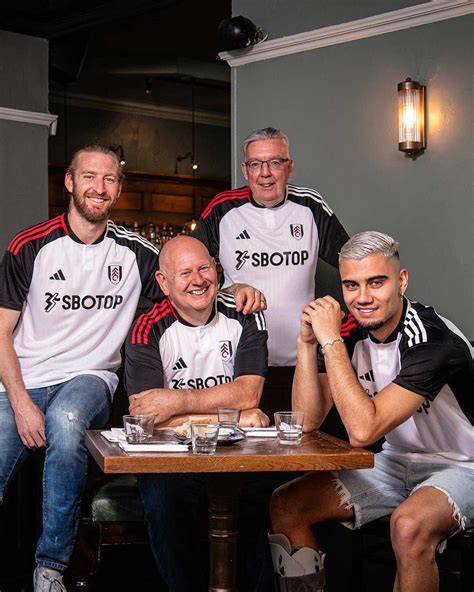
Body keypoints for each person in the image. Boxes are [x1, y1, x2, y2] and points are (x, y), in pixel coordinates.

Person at [268, 231, 474, 592]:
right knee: (288, 504)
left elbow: (364, 432)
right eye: (351, 285)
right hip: (396, 463)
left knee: (409, 525)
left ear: (401, 281)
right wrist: (306, 343)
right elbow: (306, 420)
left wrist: (329, 340)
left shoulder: (433, 340)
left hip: (464, 465)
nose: (362, 298)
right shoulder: (349, 334)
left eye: (376, 282)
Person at [0, 144, 163, 592]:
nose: (100, 187)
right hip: (25, 378)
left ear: (118, 189)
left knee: (67, 421)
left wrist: (239, 286)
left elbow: (193, 283)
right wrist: (19, 402)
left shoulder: (137, 252)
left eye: (109, 179)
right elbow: (1, 333)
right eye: (90, 176)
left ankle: (50, 567)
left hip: (91, 376)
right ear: (70, 182)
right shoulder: (30, 245)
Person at [124, 235, 270, 591]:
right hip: (173, 459)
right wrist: (229, 414)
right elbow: (147, 415)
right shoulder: (147, 326)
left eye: (204, 268)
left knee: (270, 500)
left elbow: (250, 392)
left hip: (238, 454)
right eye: (185, 272)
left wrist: (175, 402)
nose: (198, 279)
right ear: (164, 282)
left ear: (216, 271)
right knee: (164, 505)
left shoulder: (246, 313)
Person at [192, 127, 349, 418]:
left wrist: (348, 320)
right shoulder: (223, 208)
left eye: (275, 162)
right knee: (245, 455)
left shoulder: (310, 207)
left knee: (303, 448)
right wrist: (232, 289)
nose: (265, 173)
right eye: (256, 164)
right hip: (240, 367)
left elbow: (355, 263)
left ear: (289, 168)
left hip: (301, 364)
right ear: (245, 169)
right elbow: (188, 276)